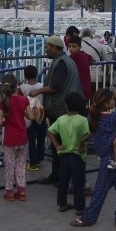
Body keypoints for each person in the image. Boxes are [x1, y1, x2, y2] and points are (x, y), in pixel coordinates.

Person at [71, 88, 116, 229]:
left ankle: (89, 218)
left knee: (100, 190)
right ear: (105, 103)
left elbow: (92, 131)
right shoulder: (115, 117)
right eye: (111, 99)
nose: (114, 101)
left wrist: (82, 141)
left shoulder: (94, 118)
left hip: (108, 157)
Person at [30, 36, 82, 185]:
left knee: (59, 145)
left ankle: (61, 177)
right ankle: (58, 175)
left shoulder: (61, 63)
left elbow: (56, 86)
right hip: (64, 106)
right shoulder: (66, 60)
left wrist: (38, 91)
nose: (45, 49)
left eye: (47, 47)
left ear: (54, 47)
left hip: (60, 108)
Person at [47, 91, 91, 215]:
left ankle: (62, 204)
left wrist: (57, 146)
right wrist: (81, 142)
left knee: (63, 181)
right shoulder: (82, 120)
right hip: (78, 155)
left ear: (66, 105)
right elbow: (88, 134)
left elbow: (50, 131)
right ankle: (80, 207)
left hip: (64, 154)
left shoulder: (61, 120)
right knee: (78, 182)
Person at [0, 74, 30, 202]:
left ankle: (9, 192)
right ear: (17, 86)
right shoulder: (24, 99)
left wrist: (6, 121)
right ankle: (21, 191)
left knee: (9, 166)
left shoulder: (2, 103)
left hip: (10, 139)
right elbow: (31, 116)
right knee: (21, 165)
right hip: (22, 137)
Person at [19, 65, 46, 172]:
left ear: (25, 75)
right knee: (41, 138)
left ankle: (33, 162)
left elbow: (19, 99)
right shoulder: (42, 85)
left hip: (29, 115)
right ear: (37, 74)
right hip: (41, 115)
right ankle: (40, 159)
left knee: (31, 140)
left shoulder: (22, 87)